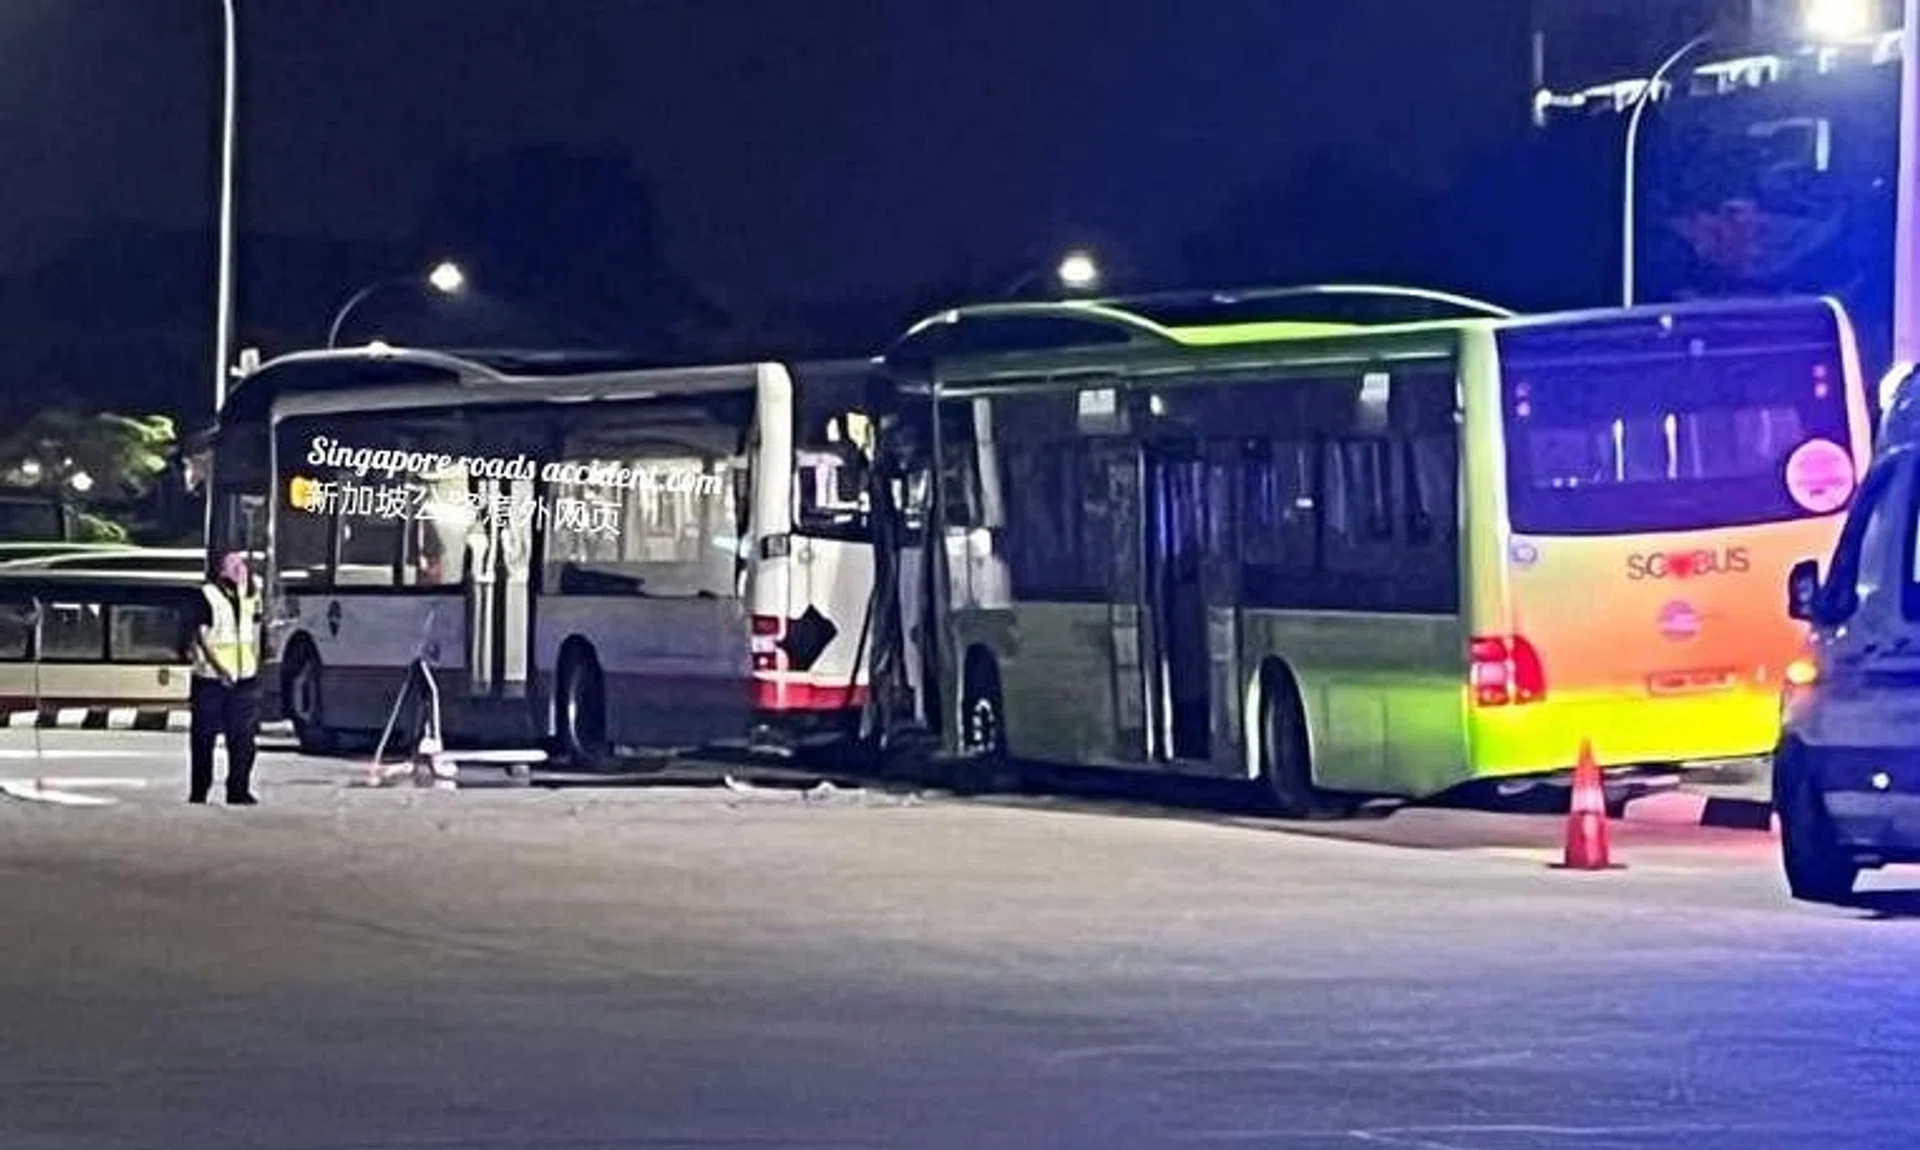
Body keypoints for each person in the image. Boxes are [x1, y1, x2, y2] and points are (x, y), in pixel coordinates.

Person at [184, 551, 261, 804]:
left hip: (244, 677)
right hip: (210, 679)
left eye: (242, 564)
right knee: (204, 739)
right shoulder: (206, 596)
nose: (240, 568)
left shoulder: (250, 594)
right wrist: (219, 669)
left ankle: (238, 790)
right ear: (221, 570)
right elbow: (200, 637)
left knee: (243, 739)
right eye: (233, 564)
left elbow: (254, 630)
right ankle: (199, 791)